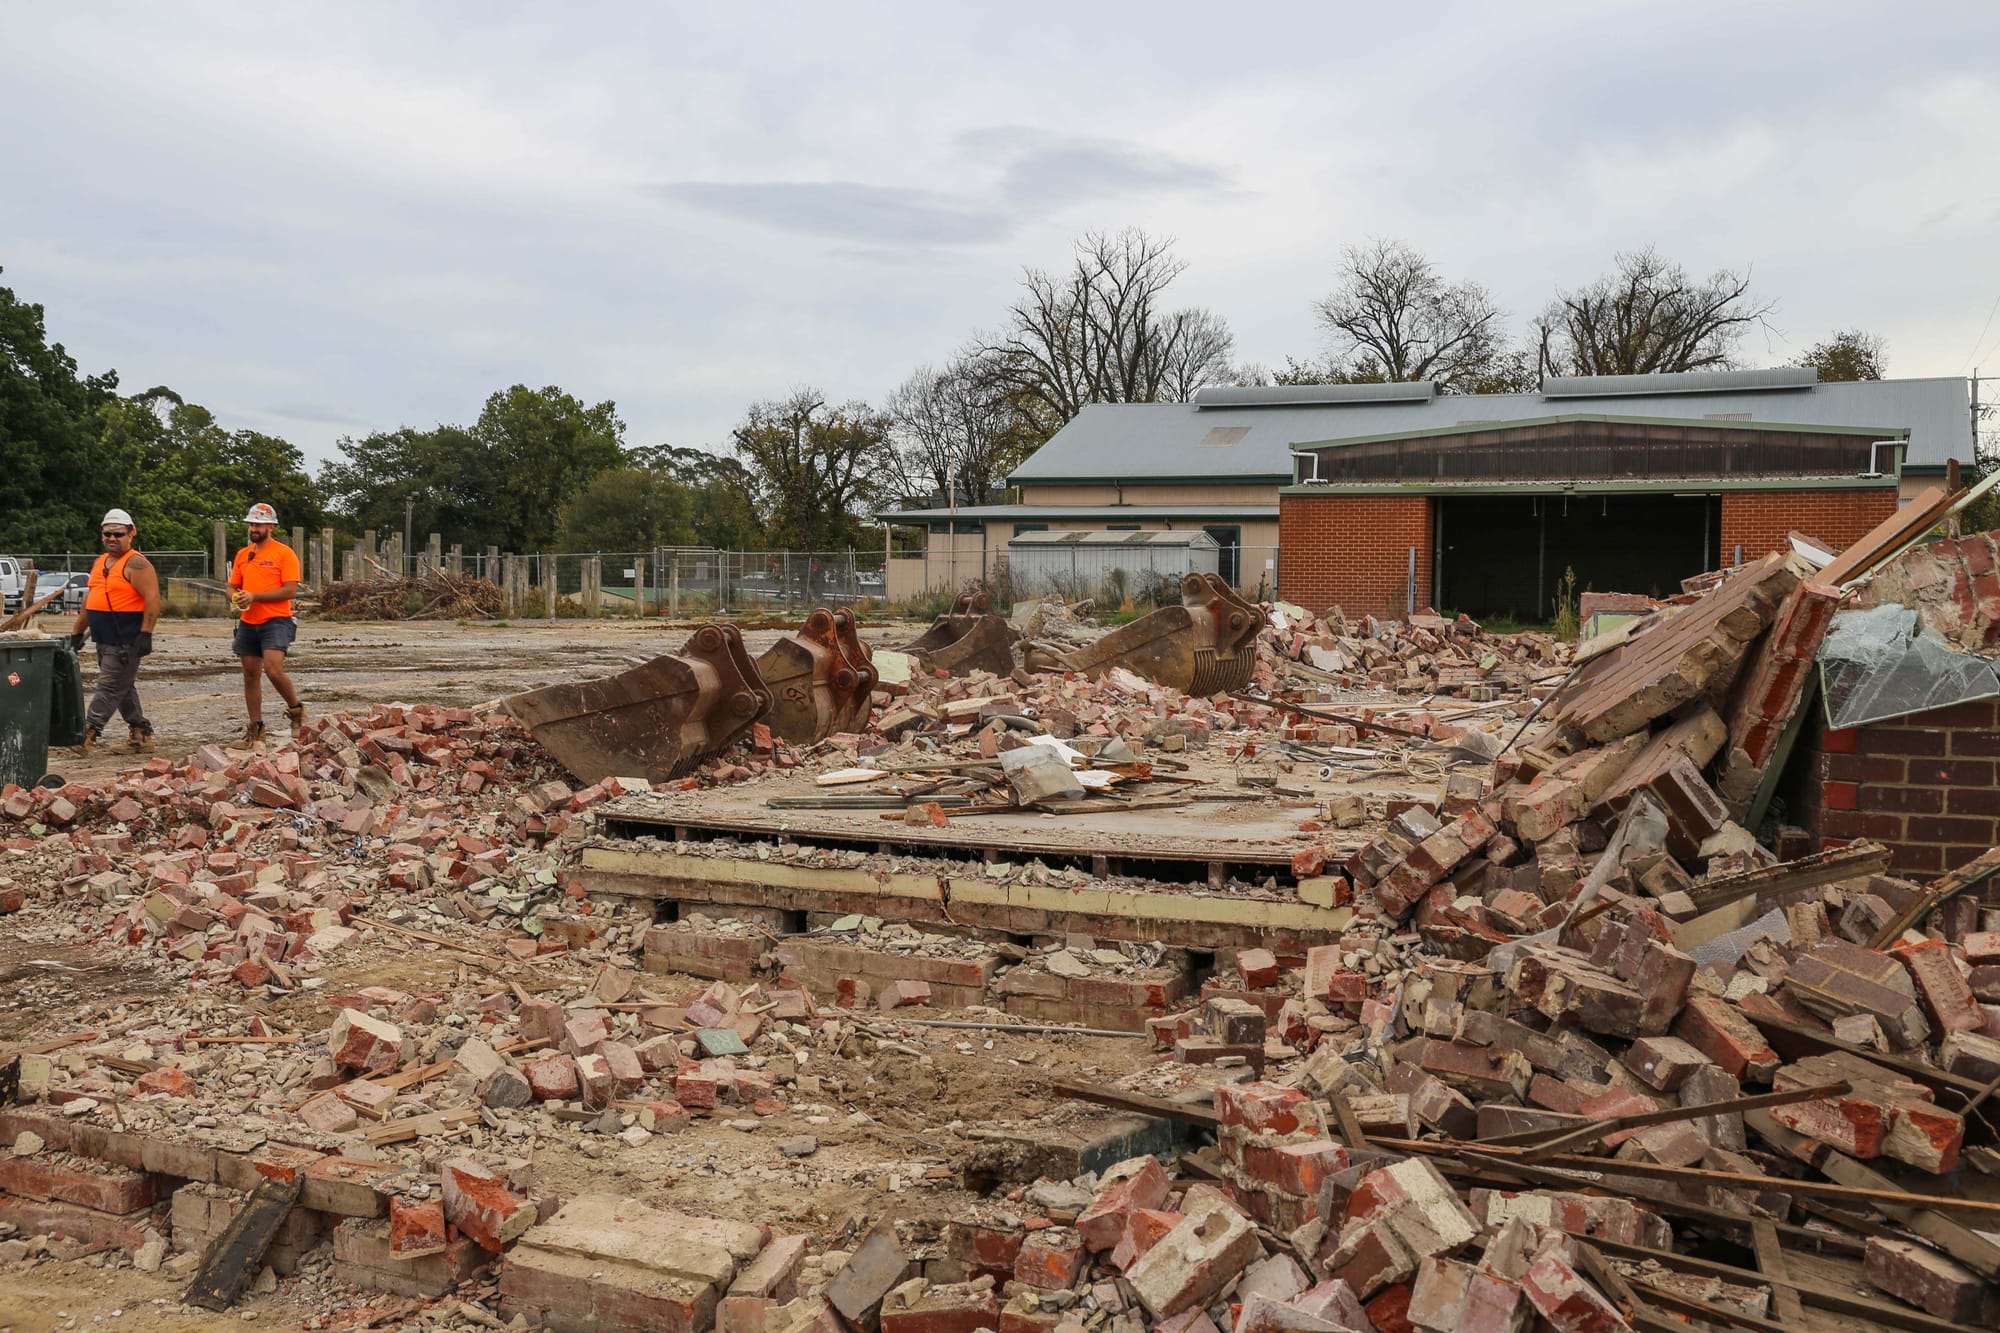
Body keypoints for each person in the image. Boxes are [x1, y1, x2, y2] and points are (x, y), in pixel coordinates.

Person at [67, 508, 161, 754]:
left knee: (109, 686)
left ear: (131, 533)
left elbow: (152, 599)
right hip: (103, 637)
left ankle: (87, 733)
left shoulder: (137, 563)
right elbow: (91, 599)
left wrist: (146, 633)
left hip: (126, 639)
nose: (112, 538)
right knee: (123, 685)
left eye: (118, 534)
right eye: (107, 534)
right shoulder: (101, 562)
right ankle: (140, 732)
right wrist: (77, 632)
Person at [228, 502, 306, 744]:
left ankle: (296, 710)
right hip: (249, 620)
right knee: (250, 674)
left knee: (273, 668)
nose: (254, 528)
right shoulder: (243, 554)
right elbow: (232, 586)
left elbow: (290, 590)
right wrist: (235, 597)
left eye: (259, 524)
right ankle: (256, 728)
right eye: (252, 524)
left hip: (277, 619)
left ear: (271, 526)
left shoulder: (284, 554)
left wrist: (256, 596)